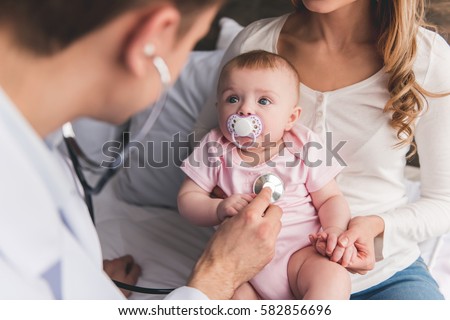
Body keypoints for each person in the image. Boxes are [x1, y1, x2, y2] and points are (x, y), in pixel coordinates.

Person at [0, 0, 284, 300]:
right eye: (191, 41)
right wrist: (219, 274)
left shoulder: (42, 153)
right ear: (151, 40)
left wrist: (92, 294)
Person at [194, 0, 450, 299]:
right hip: (254, 272)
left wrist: (375, 228)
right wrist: (224, 204)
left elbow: (444, 201)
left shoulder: (427, 58)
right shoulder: (255, 44)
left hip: (383, 275)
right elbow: (204, 150)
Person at [179, 50, 353, 300]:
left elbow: (329, 199)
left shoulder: (304, 144)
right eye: (232, 99)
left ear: (290, 118)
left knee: (332, 277)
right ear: (218, 109)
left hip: (302, 254)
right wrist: (217, 208)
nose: (245, 110)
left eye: (263, 101)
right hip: (240, 266)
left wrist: (334, 229)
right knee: (231, 298)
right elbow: (188, 197)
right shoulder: (214, 146)